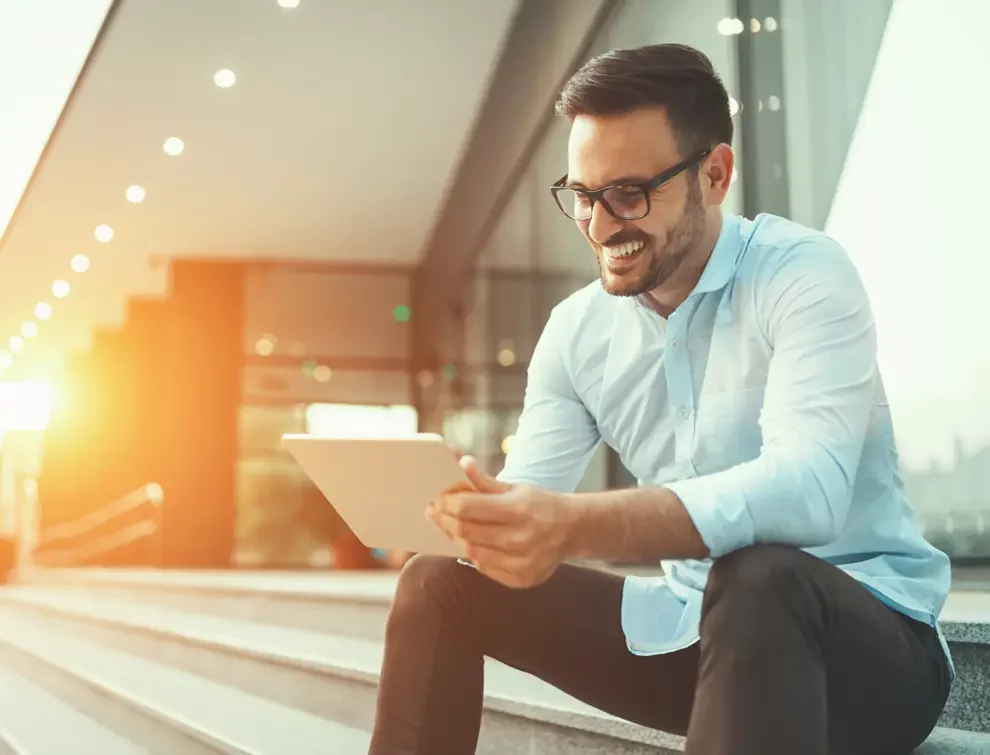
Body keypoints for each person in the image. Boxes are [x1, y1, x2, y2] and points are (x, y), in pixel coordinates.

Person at [367, 44, 953, 755]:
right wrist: (478, 519)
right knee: (438, 583)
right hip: (694, 634)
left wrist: (572, 524)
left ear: (714, 174)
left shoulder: (803, 274)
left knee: (759, 573)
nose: (600, 223)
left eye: (629, 193)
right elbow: (532, 507)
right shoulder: (578, 331)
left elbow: (808, 492)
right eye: (582, 196)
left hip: (869, 651)